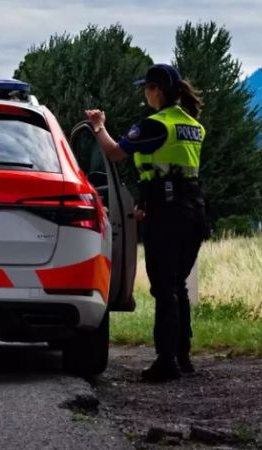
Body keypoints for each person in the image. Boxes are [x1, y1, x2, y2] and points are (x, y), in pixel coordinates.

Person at [85, 63, 207, 382]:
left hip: (167, 215)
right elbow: (171, 171)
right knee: (177, 284)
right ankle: (183, 356)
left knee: (163, 287)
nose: (145, 94)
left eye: (147, 88)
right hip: (192, 209)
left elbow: (114, 153)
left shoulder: (155, 125)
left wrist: (98, 126)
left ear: (158, 90)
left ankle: (166, 362)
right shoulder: (193, 124)